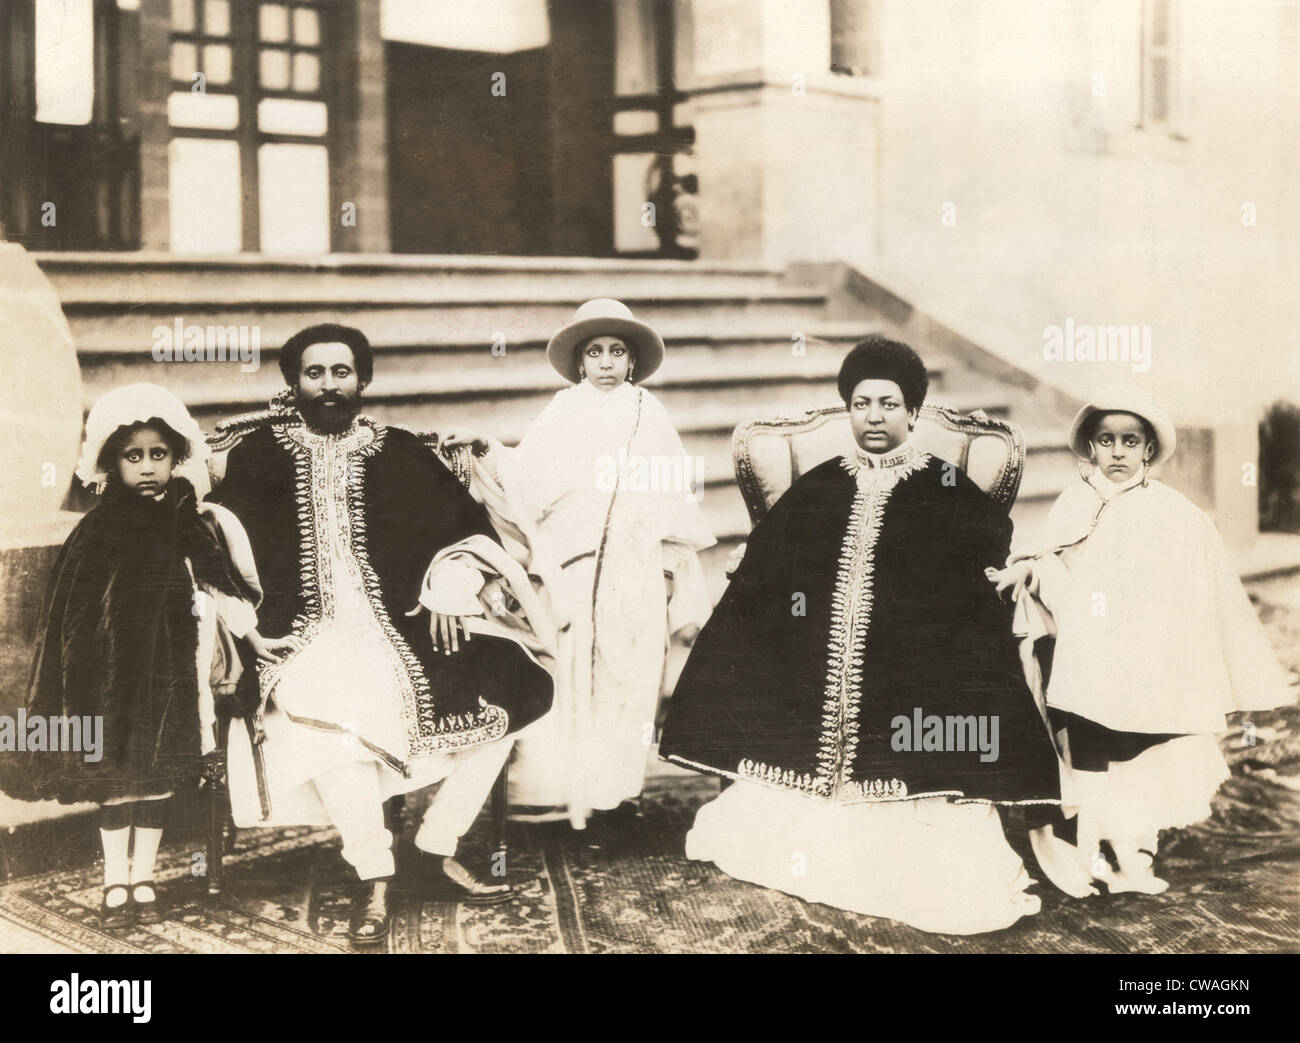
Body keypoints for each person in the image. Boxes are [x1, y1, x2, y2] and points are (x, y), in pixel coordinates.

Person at [658, 336, 1061, 935]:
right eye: (862, 404)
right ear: (849, 409)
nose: (874, 417)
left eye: (888, 404)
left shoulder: (947, 489)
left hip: (913, 677)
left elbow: (973, 584)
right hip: (814, 670)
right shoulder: (819, 485)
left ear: (913, 413)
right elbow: (774, 572)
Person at [207, 324, 553, 945]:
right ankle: (375, 873)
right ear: (294, 384)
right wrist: (244, 627)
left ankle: (431, 846)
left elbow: (465, 528)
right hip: (300, 635)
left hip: (403, 626)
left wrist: (450, 580)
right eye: (315, 373)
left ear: (362, 380)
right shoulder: (259, 456)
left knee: (518, 691)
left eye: (342, 372)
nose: (329, 385)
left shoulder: (399, 450)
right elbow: (215, 553)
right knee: (330, 712)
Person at [987, 388, 1294, 896]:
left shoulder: (1172, 512)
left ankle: (1132, 851)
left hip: (1145, 659)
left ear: (1149, 449)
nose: (1118, 452)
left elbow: (1187, 587)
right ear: (1091, 446)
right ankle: (1087, 849)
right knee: (1088, 751)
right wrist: (1031, 568)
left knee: (1143, 756)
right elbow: (1054, 558)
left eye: (1131, 441)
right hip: (1084, 656)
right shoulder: (1076, 501)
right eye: (1106, 440)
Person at [0, 383, 269, 928]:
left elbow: (220, 585)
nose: (147, 467)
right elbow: (71, 615)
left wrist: (253, 634)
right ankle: (113, 879)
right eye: (133, 456)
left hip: (171, 674)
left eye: (158, 455)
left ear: (176, 459)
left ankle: (142, 874)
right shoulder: (98, 528)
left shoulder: (186, 520)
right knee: (116, 782)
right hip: (110, 678)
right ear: (111, 462)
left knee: (158, 778)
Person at [471, 299, 715, 829]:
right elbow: (526, 479)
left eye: (617, 351)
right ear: (580, 363)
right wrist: (489, 454)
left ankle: (616, 798)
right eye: (595, 352)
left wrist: (669, 565)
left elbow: (670, 496)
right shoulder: (563, 411)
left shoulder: (648, 414)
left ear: (632, 362)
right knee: (572, 676)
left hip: (634, 570)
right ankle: (566, 794)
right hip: (573, 570)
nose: (606, 362)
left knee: (629, 679)